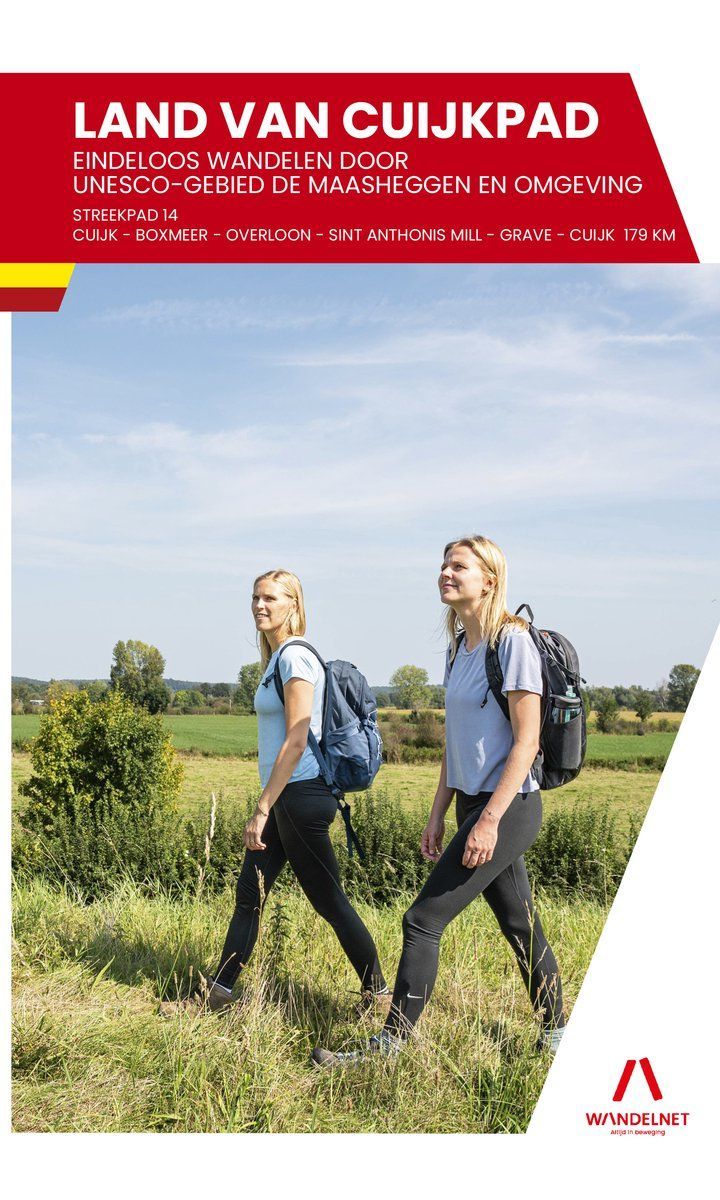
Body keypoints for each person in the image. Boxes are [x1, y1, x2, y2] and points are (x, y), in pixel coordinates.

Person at [312, 535, 565, 1065]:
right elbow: (457, 742)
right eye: (444, 565)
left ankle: (391, 1044)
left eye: (459, 566)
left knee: (422, 919)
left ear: (489, 579)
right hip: (475, 805)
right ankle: (557, 1031)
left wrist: (489, 819)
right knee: (520, 922)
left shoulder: (511, 642)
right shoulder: (459, 648)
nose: (445, 573)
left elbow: (527, 741)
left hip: (510, 805)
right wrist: (438, 813)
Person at [201, 568, 390, 1014]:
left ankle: (380, 994)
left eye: (270, 598)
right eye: (255, 597)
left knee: (328, 900)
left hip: (301, 796)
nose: (259, 605)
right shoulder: (276, 659)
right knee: (250, 893)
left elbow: (298, 736)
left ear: (294, 605)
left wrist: (262, 806)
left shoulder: (295, 657)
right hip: (289, 795)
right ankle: (219, 993)